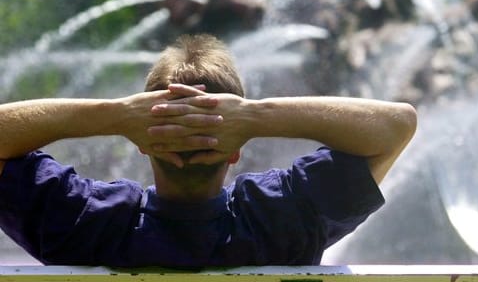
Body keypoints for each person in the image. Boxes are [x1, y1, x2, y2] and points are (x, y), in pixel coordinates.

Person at [0, 34, 417, 267]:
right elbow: (396, 125)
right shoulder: (278, 219)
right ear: (235, 151)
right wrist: (254, 118)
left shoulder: (90, 222)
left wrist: (116, 115)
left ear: (144, 146)